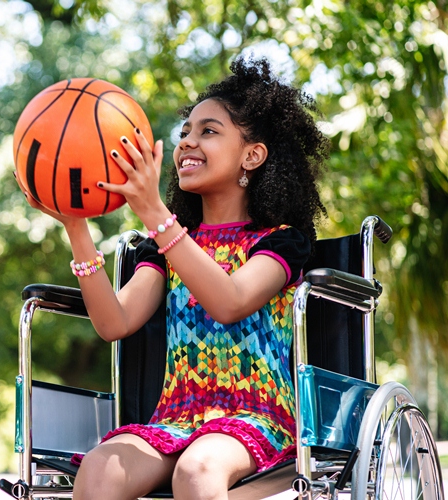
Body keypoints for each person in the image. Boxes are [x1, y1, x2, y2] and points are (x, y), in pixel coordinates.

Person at [19, 58, 329, 500]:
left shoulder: (281, 243)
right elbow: (113, 324)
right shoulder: (163, 250)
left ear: (252, 155)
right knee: (100, 468)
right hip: (177, 418)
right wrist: (75, 225)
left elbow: (230, 301)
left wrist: (153, 214)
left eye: (208, 131)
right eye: (185, 131)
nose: (187, 142)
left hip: (258, 418)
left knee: (198, 470)